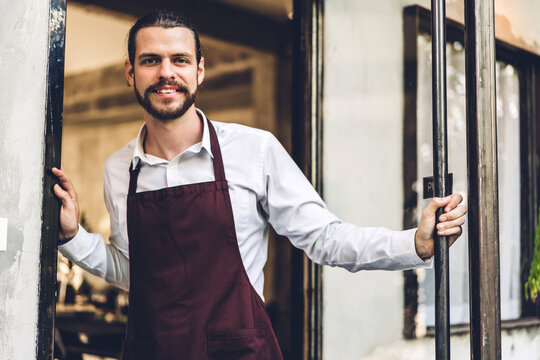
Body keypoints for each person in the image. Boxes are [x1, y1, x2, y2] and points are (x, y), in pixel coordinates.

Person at [53, 10, 467, 360]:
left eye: (179, 59)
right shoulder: (119, 168)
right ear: (130, 72)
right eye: (150, 60)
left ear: (199, 70)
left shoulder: (253, 150)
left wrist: (415, 244)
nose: (166, 73)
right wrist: (73, 237)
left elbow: (325, 238)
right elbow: (135, 272)